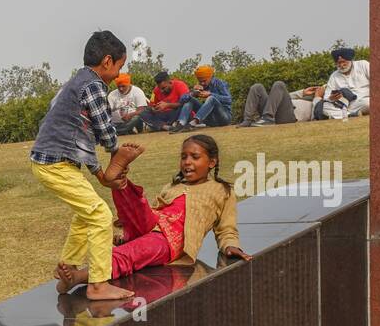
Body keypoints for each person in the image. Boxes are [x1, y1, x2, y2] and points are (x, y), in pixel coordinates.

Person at [55, 135, 250, 292]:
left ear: (212, 162)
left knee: (129, 253)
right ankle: (118, 178)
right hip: (152, 224)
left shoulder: (222, 190)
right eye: (184, 157)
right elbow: (151, 212)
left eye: (195, 157)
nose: (187, 162)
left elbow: (226, 229)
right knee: (138, 202)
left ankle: (77, 277)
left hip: (170, 239)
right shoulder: (174, 185)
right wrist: (127, 235)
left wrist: (230, 247)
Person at [29, 29, 135, 302]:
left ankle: (68, 266)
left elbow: (80, 135)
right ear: (108, 61)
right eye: (120, 67)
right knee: (100, 216)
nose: (117, 74)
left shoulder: (78, 81)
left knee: (85, 213)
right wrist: (115, 153)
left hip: (53, 161)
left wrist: (100, 173)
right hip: (56, 164)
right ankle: (98, 284)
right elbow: (103, 128)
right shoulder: (94, 86)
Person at [173, 65, 233, 131]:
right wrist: (192, 93)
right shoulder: (200, 86)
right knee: (190, 99)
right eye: (200, 81)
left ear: (210, 77)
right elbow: (181, 100)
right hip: (210, 120)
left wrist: (210, 94)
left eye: (204, 81)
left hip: (224, 118)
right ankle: (181, 123)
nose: (202, 83)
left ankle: (193, 123)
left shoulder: (220, 83)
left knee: (211, 98)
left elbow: (229, 100)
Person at [320, 47, 370, 119]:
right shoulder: (334, 76)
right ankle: (350, 115)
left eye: (343, 61)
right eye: (338, 63)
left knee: (369, 103)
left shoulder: (363, 65)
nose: (341, 65)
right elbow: (326, 97)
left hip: (365, 100)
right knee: (324, 107)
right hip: (346, 105)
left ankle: (344, 115)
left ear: (350, 60)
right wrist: (331, 98)